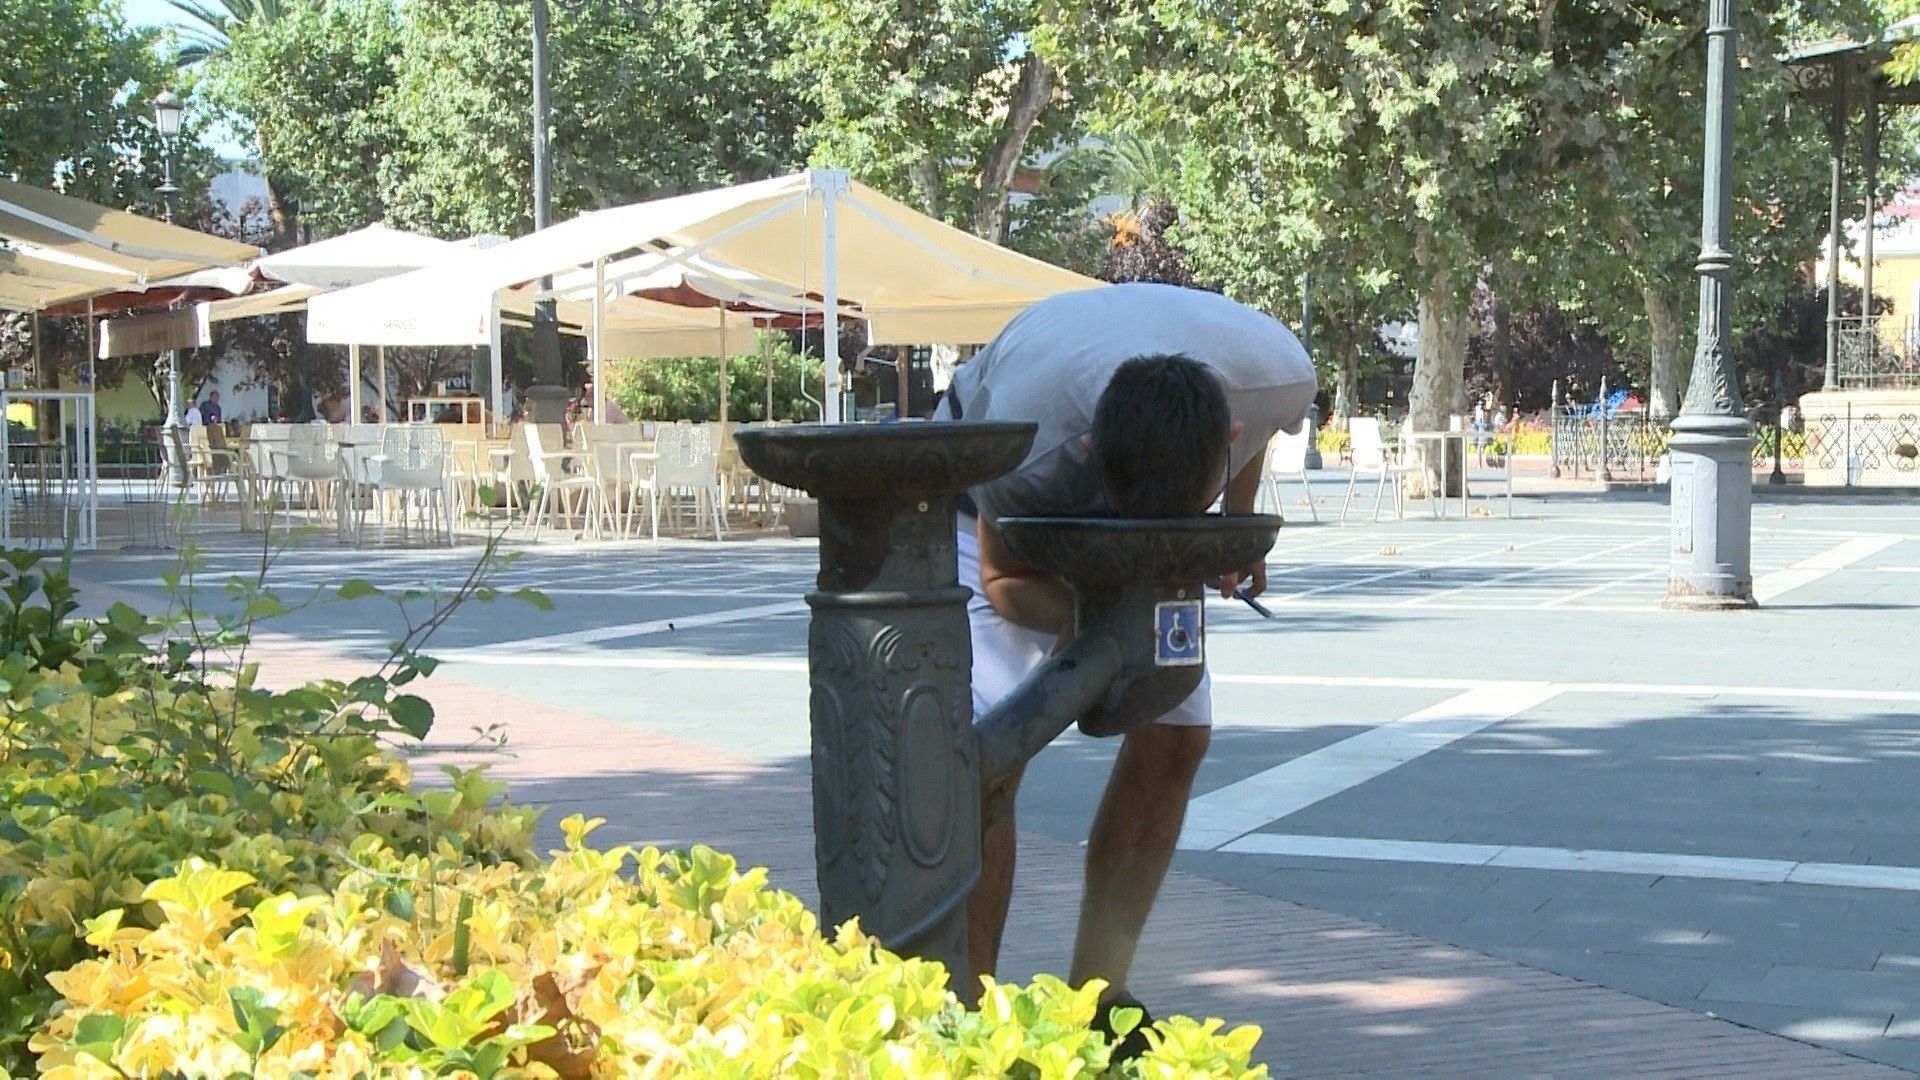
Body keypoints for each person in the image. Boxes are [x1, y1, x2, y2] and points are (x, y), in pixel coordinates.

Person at [942, 282, 1316, 1053]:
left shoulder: (1279, 376)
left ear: (1228, 434)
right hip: (982, 508)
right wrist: (1107, 635)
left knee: (1179, 735)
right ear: (1091, 456)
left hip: (1152, 527)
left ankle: (1099, 1000)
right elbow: (1004, 579)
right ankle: (971, 1015)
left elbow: (1257, 439)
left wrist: (1233, 528)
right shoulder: (1030, 441)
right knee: (985, 760)